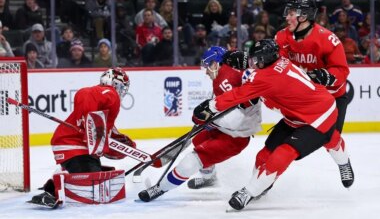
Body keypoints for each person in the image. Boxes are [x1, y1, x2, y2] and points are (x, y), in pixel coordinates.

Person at [193, 39, 344, 210]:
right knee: (262, 156)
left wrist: (210, 107)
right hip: (296, 115)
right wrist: (229, 56)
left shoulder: (265, 77)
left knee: (283, 153)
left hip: (319, 116)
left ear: (264, 60)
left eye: (255, 60)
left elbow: (238, 94)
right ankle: (261, 186)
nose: (252, 63)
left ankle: (248, 192)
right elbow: (258, 65)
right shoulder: (278, 60)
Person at [138, 46, 262, 202]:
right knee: (197, 139)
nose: (206, 71)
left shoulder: (225, 79)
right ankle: (209, 178)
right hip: (228, 129)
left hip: (235, 137)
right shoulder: (225, 75)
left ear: (216, 63)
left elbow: (236, 120)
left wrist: (209, 120)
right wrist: (209, 120)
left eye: (208, 65)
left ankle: (160, 188)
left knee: (192, 161)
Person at [28, 67, 135, 208]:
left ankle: (56, 182)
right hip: (73, 144)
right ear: (114, 84)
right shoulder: (111, 93)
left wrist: (125, 145)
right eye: (121, 87)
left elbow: (103, 137)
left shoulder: (104, 103)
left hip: (73, 145)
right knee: (95, 185)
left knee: (99, 179)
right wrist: (88, 120)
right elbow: (85, 94)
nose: (121, 91)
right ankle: (56, 190)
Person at [275, 0, 354, 189]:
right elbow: (278, 66)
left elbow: (342, 71)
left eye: (292, 13)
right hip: (303, 98)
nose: (287, 16)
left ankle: (343, 162)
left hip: (331, 97)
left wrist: (326, 76)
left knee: (331, 138)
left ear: (305, 16)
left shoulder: (327, 39)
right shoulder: (282, 37)